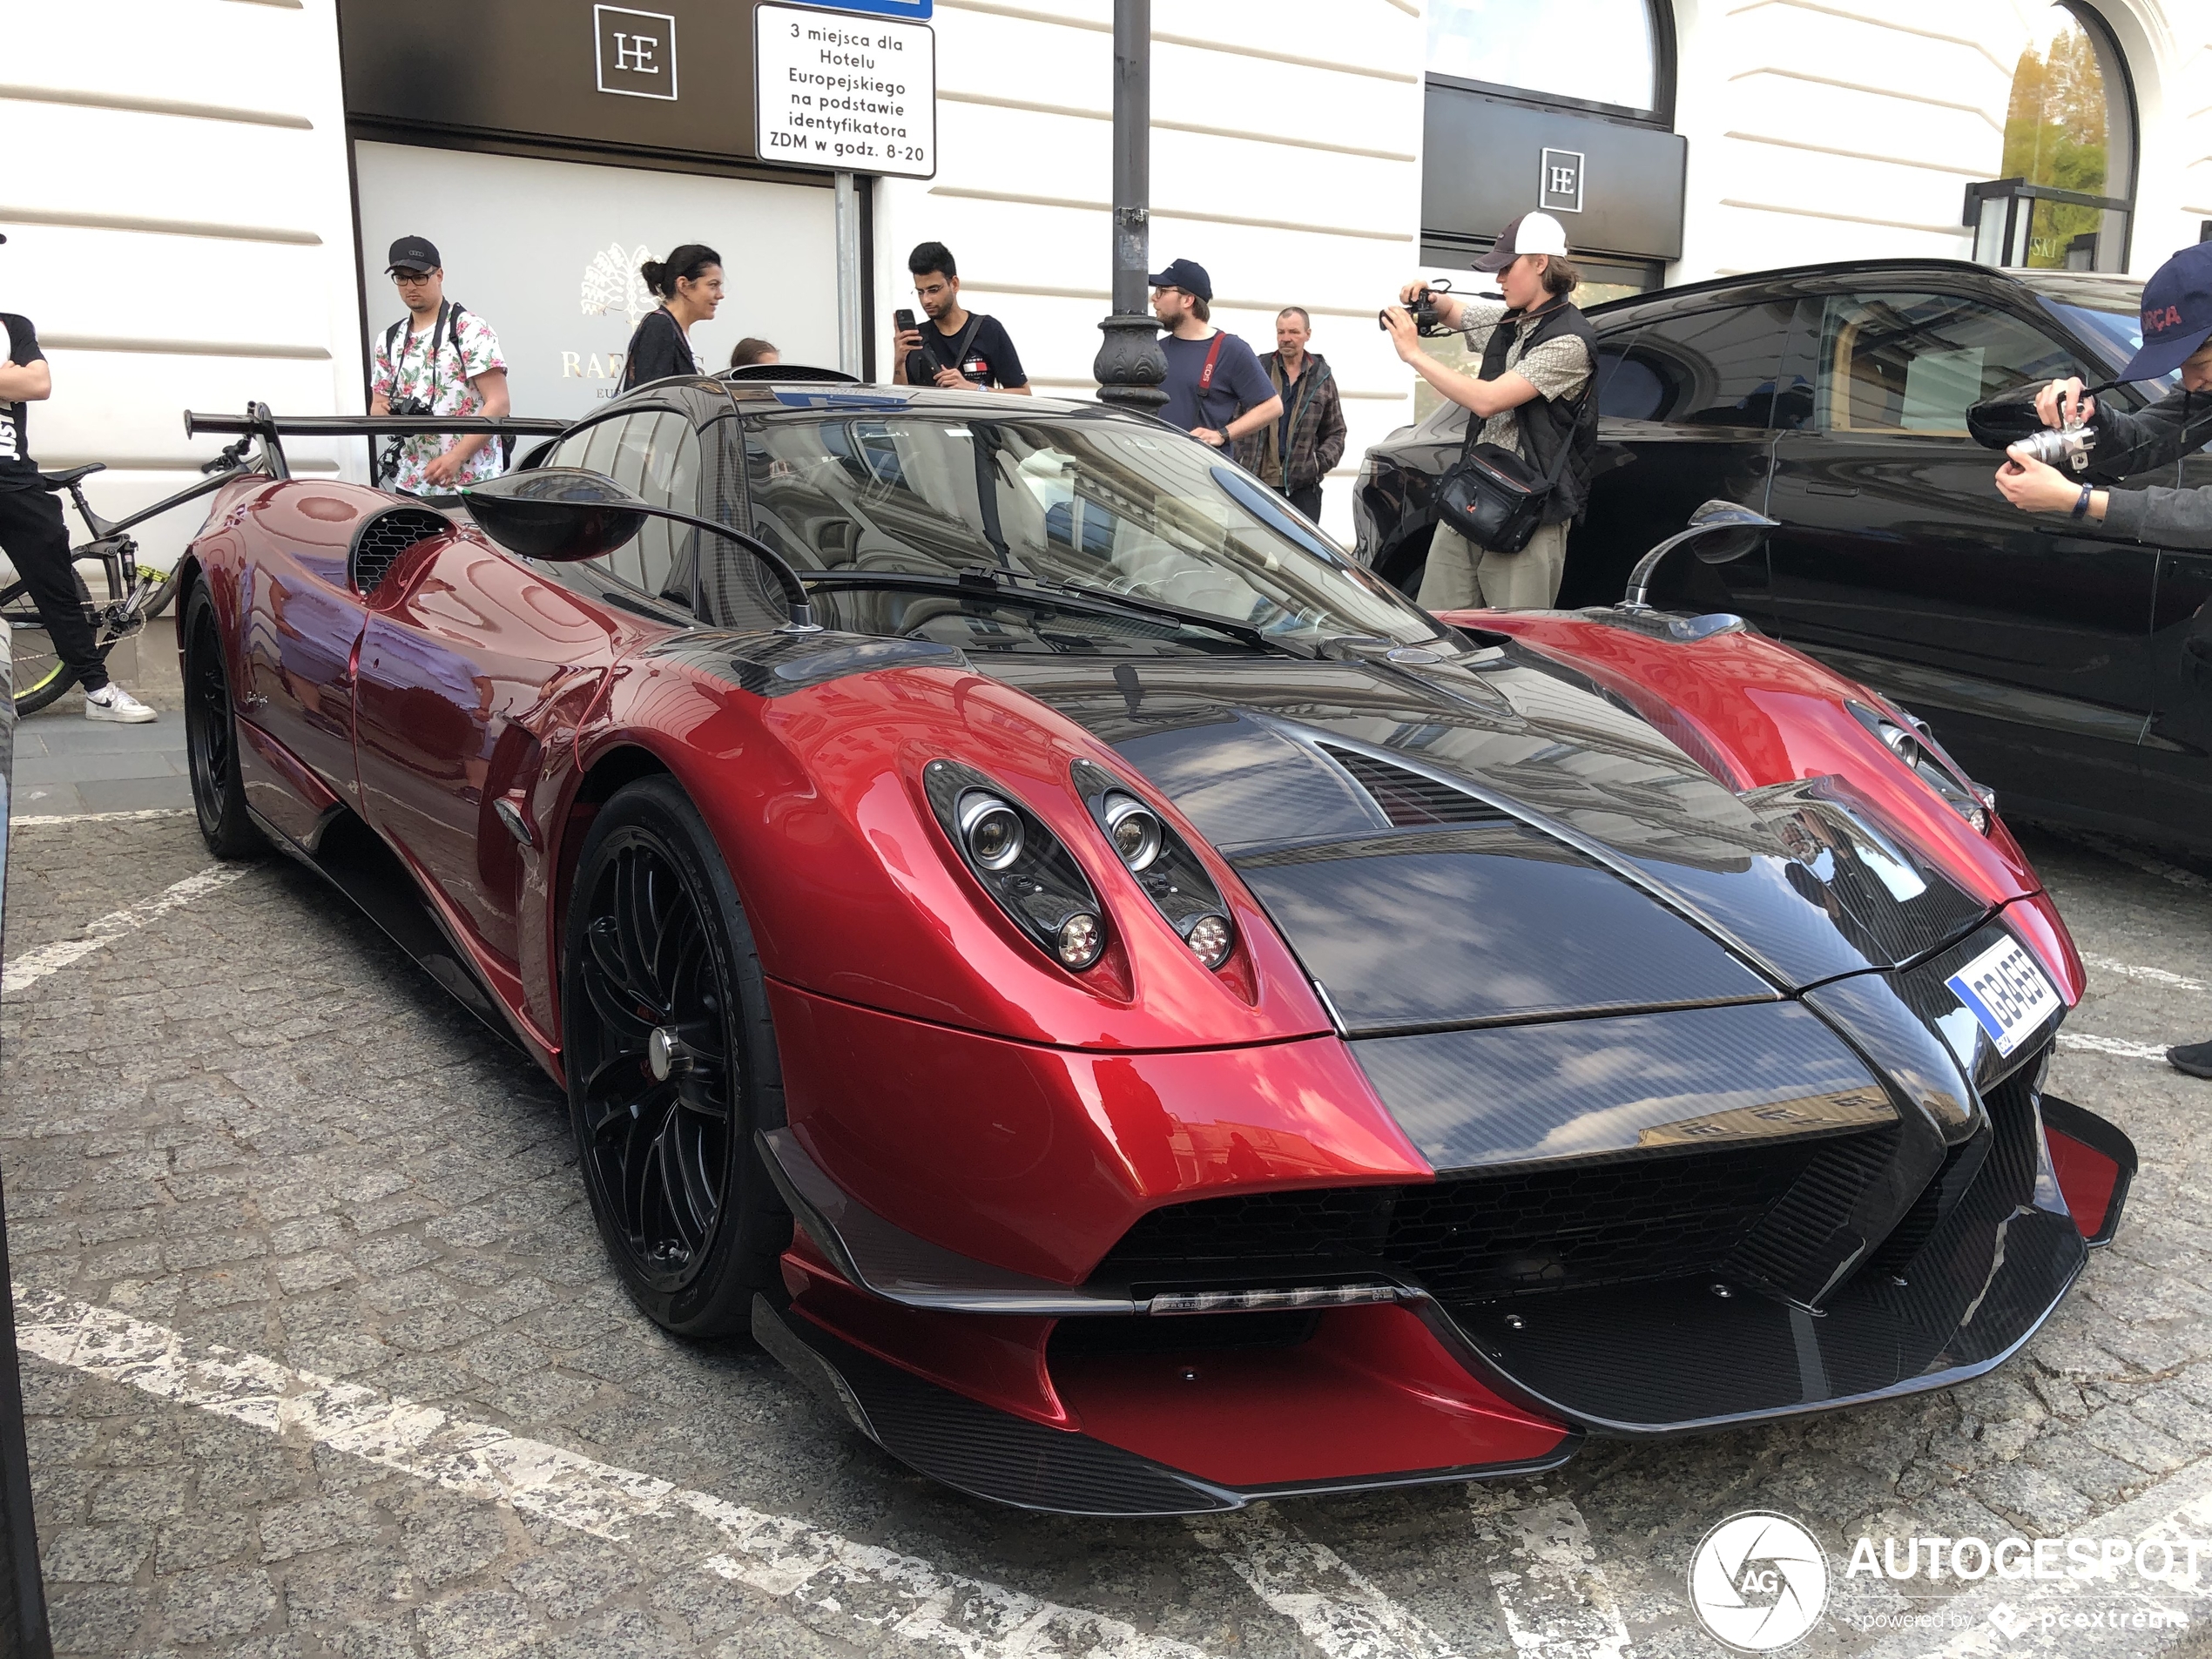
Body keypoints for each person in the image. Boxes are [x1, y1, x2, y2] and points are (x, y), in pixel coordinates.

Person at [1990, 239, 2212, 1083]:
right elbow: (2144, 436)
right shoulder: (2199, 389)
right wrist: (2077, 423)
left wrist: (2081, 502)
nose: (2183, 378)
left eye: (2190, 356)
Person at [1381, 212, 1595, 611]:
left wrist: (1413, 354)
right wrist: (1426, 297)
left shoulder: (1570, 342)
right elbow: (1453, 312)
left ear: (1540, 262)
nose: (1497, 279)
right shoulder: (1512, 319)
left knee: (1519, 647)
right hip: (1473, 496)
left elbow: (1488, 399)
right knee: (1438, 630)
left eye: (1505, 268)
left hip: (1531, 517)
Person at [0, 241, 156, 722]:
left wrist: (21, 376)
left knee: (57, 591)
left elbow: (38, 385)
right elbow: (22, 381)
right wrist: (10, 375)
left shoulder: (13, 326)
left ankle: (97, 691)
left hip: (15, 480)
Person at [368, 235, 510, 496]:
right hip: (411, 480)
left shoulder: (469, 328)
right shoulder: (388, 339)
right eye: (401, 277)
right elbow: (377, 405)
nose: (410, 286)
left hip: (472, 482)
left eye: (419, 276)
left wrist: (456, 457)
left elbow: (499, 403)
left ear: (439, 275)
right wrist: (390, 415)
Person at [1148, 258, 1282, 451]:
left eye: (1163, 291)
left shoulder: (1230, 349)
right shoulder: (1155, 349)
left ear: (1187, 300)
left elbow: (1272, 406)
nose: (1154, 298)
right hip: (1158, 469)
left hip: (1202, 473)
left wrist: (1222, 434)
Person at [1234, 307, 1346, 520]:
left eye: (1294, 332)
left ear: (1308, 334)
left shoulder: (1321, 377)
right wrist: (1240, 459)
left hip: (1302, 490)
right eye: (1281, 332)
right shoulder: (1259, 369)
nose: (1286, 338)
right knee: (1249, 551)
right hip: (1255, 484)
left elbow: (1336, 431)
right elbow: (1235, 418)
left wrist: (1316, 463)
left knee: (1300, 553)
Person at [891, 243, 1029, 393]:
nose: (926, 300)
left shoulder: (988, 329)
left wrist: (975, 388)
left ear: (954, 284)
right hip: (930, 416)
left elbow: (1024, 394)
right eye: (920, 292)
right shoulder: (916, 338)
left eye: (934, 290)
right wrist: (899, 362)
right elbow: (901, 402)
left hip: (976, 416)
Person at [620, 244, 722, 389]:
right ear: (683, 285)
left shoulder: (672, 329)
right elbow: (651, 401)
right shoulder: (659, 326)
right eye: (713, 285)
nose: (720, 295)